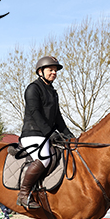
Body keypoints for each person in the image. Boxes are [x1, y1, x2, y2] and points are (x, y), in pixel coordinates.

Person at [17, 56, 74, 209]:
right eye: (51, 70)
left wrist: (70, 136)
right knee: (44, 159)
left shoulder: (53, 92)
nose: (54, 73)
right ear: (40, 71)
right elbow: (35, 112)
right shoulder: (33, 88)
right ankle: (23, 194)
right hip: (32, 134)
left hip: (46, 134)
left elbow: (58, 118)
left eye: (56, 70)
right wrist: (50, 132)